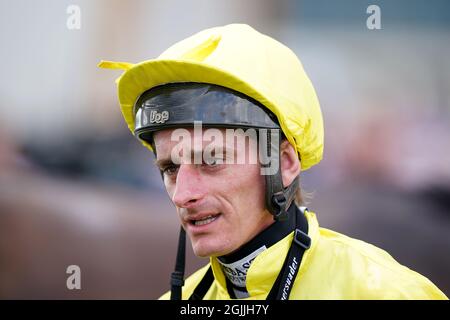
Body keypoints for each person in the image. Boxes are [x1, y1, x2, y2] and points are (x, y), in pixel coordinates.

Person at [99, 24, 447, 300]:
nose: (181, 194)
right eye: (170, 169)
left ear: (284, 162)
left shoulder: (388, 293)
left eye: (211, 161)